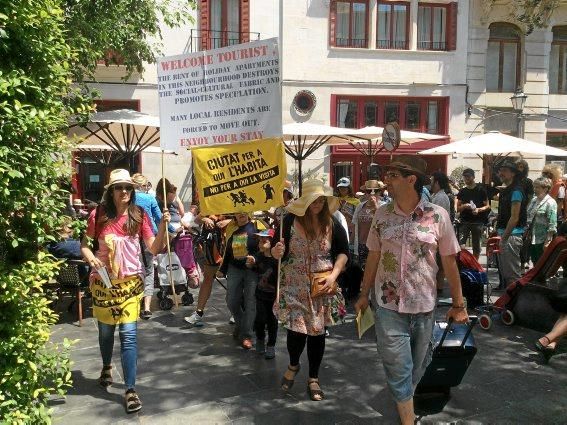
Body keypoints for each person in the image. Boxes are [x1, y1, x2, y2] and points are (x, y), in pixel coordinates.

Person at [354, 156, 468, 425]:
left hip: (424, 305)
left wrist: (458, 304)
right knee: (398, 365)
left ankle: (403, 399)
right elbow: (373, 256)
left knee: (418, 365)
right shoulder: (381, 214)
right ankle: (408, 419)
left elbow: (449, 261)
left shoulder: (437, 216)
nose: (386, 182)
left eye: (392, 176)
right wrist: (362, 293)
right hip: (387, 305)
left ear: (411, 179)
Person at [80, 169, 169, 413]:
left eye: (129, 188)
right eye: (120, 187)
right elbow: (85, 245)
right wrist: (91, 259)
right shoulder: (97, 215)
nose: (125, 192)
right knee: (106, 333)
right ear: (111, 191)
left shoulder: (139, 215)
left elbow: (154, 248)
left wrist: (162, 226)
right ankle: (107, 365)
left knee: (128, 335)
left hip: (130, 284)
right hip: (104, 283)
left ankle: (130, 389)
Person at [271, 179, 349, 401]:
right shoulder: (287, 222)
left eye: (322, 200)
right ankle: (294, 364)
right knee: (296, 332)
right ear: (305, 201)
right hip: (293, 286)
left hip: (321, 287)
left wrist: (334, 275)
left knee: (317, 333)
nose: (318, 204)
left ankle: (313, 377)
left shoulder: (332, 223)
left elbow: (343, 253)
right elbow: (275, 252)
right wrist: (275, 251)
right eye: (314, 200)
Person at [217, 213, 260, 349]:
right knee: (231, 301)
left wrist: (255, 260)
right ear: (234, 214)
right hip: (234, 268)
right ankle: (241, 325)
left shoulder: (258, 229)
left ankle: (247, 334)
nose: (242, 213)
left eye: (244, 211)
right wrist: (222, 269)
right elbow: (228, 253)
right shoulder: (232, 230)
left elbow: (265, 248)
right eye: (239, 211)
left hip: (252, 271)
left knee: (250, 302)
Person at [184, 213, 233, 326]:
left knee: (233, 281)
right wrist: (205, 218)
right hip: (213, 247)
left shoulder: (231, 201)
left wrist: (229, 222)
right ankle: (198, 312)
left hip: (231, 246)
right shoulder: (210, 202)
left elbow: (247, 217)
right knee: (207, 280)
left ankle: (236, 312)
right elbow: (197, 219)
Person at [131, 173, 163, 320]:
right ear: (143, 185)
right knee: (149, 271)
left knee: (133, 270)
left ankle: (134, 304)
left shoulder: (128, 198)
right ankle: (147, 307)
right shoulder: (150, 198)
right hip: (148, 237)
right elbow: (160, 218)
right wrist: (171, 230)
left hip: (130, 237)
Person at [496, 160, 529, 286]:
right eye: (500, 170)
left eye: (504, 170)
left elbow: (514, 218)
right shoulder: (508, 190)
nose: (501, 173)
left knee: (512, 276)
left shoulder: (516, 191)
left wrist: (503, 238)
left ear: (513, 174)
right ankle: (508, 303)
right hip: (506, 235)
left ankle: (514, 304)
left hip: (511, 236)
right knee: (507, 275)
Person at [252, 228, 279, 359]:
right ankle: (260, 339)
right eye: (259, 240)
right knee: (260, 319)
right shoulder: (259, 255)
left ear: (272, 242)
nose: (261, 243)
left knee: (273, 321)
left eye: (264, 240)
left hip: (274, 296)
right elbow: (253, 263)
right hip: (260, 294)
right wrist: (250, 262)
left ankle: (271, 345)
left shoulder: (277, 259)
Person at [457, 168, 490, 259]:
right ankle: (462, 263)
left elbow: (487, 206)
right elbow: (458, 208)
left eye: (468, 176)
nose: (466, 178)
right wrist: (464, 206)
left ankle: (476, 265)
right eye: (465, 176)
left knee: (477, 246)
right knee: (460, 244)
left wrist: (478, 210)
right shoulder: (462, 191)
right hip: (465, 221)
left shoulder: (480, 190)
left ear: (473, 177)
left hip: (478, 221)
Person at [352, 180, 386, 269]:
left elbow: (385, 224)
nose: (372, 194)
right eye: (368, 191)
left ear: (380, 192)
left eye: (375, 191)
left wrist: (375, 207)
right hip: (362, 245)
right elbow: (355, 224)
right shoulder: (360, 206)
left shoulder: (384, 207)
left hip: (377, 246)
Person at [526, 177, 557, 265]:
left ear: (546, 188)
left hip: (544, 238)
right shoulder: (534, 200)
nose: (534, 189)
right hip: (532, 236)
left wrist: (548, 240)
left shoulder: (550, 202)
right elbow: (528, 215)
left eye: (537, 187)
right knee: (534, 260)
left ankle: (541, 278)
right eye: (534, 187)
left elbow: (552, 223)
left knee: (543, 261)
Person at [335, 177, 360, 245]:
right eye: (340, 187)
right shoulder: (334, 200)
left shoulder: (356, 201)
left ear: (349, 188)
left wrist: (347, 214)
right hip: (337, 228)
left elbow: (358, 218)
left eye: (344, 187)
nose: (342, 189)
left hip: (350, 229)